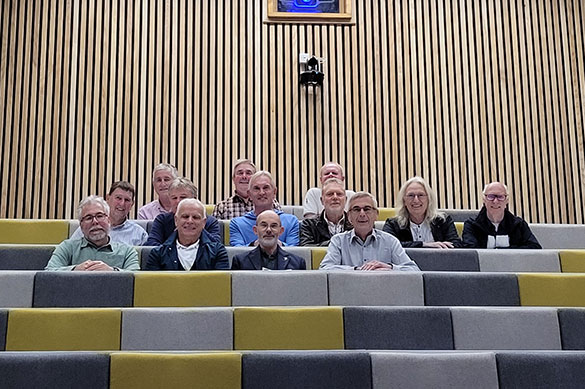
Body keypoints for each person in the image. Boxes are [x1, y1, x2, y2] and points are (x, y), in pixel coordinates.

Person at [319, 192, 420, 271]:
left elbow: (413, 270)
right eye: (356, 209)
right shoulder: (338, 241)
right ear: (349, 216)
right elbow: (325, 268)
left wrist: (389, 268)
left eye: (367, 209)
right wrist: (357, 270)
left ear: (376, 214)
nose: (362, 214)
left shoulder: (390, 241)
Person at [45, 195, 140, 271]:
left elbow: (135, 279)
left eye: (99, 216)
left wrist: (111, 272)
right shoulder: (67, 247)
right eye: (88, 218)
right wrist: (75, 269)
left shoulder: (128, 252)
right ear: (81, 225)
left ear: (108, 220)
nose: (95, 221)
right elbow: (49, 271)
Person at [145, 199, 229, 270]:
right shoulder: (157, 254)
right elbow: (152, 287)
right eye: (185, 216)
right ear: (176, 220)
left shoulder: (218, 252)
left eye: (195, 217)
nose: (190, 221)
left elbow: (221, 285)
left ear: (204, 223)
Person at [382, 176, 462, 248]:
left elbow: (456, 245)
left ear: (429, 199)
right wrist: (424, 244)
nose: (416, 200)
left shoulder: (443, 221)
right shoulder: (392, 224)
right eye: (411, 195)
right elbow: (388, 246)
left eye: (421, 195)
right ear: (404, 201)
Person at [462, 182, 541, 249]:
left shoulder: (519, 225)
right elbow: (470, 251)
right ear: (484, 199)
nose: (495, 201)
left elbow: (534, 247)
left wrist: (502, 253)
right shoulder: (472, 225)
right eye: (491, 196)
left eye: (500, 197)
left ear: (506, 200)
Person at [230, 171, 299, 246]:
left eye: (266, 188)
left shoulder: (291, 222)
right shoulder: (237, 224)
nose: (261, 193)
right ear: (249, 194)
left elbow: (293, 251)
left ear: (274, 192)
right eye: (256, 188)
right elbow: (236, 252)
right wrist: (255, 245)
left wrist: (276, 245)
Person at [145, 177, 220, 245]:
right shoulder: (162, 220)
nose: (178, 201)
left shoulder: (210, 221)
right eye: (174, 198)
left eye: (183, 197)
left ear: (194, 199)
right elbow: (151, 245)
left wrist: (198, 228)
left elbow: (216, 246)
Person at [70, 181, 148, 246]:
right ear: (107, 198)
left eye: (127, 200)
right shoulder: (89, 226)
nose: (122, 203)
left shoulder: (140, 234)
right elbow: (70, 251)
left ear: (132, 204)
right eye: (118, 198)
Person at [231, 210, 306, 270]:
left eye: (273, 226)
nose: (269, 230)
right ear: (255, 230)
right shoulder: (240, 262)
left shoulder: (297, 263)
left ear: (281, 231)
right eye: (264, 225)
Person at [213, 158, 281, 219]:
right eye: (240, 173)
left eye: (248, 173)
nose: (244, 177)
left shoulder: (271, 203)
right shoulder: (222, 207)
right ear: (233, 179)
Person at [300, 178, 353, 246]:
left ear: (345, 200)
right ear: (322, 200)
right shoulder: (309, 224)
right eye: (330, 194)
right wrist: (338, 242)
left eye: (339, 194)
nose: (335, 197)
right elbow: (306, 249)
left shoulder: (355, 224)